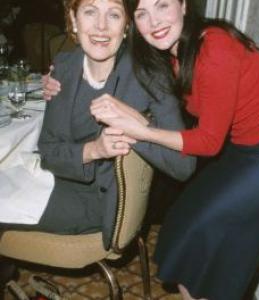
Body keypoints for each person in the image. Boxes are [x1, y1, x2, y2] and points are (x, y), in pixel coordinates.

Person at [86, 0, 259, 299]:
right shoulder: (173, 52)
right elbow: (105, 63)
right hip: (243, 146)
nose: (154, 22)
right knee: (184, 221)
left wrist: (143, 132)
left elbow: (209, 143)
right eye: (142, 13)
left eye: (162, 6)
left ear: (184, 6)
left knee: (220, 238)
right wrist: (56, 80)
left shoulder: (214, 47)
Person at [0, 0, 196, 293]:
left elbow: (184, 166)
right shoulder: (64, 67)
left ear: (127, 25)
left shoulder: (149, 75)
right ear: (73, 20)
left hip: (100, 202)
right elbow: (50, 151)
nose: (102, 27)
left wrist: (137, 126)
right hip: (56, 179)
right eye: (90, 11)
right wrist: (94, 150)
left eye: (114, 14)